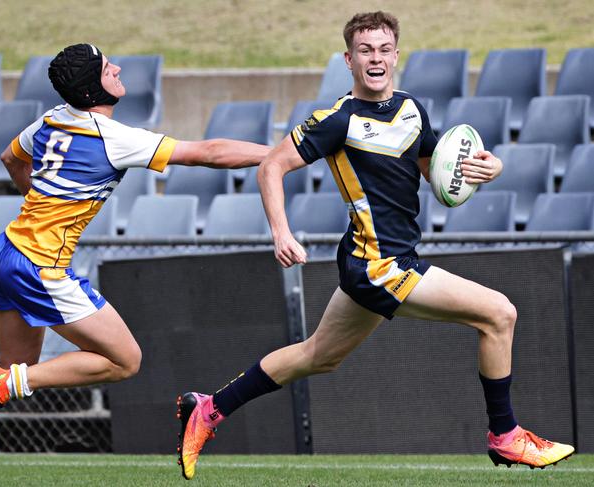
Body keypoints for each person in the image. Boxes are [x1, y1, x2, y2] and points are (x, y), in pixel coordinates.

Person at [176, 11, 575, 481]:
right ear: (349, 59)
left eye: (384, 49)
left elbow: (439, 176)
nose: (376, 58)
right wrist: (282, 233)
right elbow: (271, 167)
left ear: (396, 55)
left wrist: (488, 170)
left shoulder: (412, 109)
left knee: (317, 356)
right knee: (499, 313)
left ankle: (208, 409)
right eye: (365, 50)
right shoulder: (337, 120)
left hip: (376, 259)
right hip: (378, 264)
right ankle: (505, 437)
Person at [0, 43, 270, 487]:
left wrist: (39, 200)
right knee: (124, 360)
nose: (116, 68)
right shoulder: (111, 136)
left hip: (6, 252)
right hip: (39, 264)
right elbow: (207, 152)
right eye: (106, 66)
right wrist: (281, 153)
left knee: (5, 375)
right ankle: (9, 385)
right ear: (91, 84)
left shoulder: (54, 117)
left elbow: (10, 158)